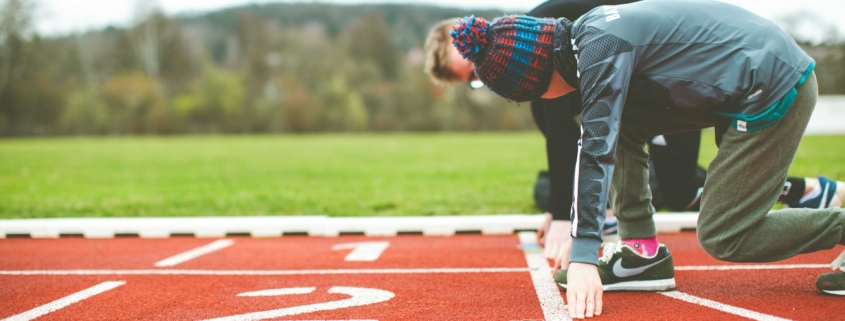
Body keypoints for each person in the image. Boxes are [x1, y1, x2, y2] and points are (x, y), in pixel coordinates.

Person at [447, 0, 845, 318]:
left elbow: (596, 150)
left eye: (524, 96)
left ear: (536, 80)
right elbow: (605, 131)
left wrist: (584, 254)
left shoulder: (601, 49)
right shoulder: (589, 34)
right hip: (742, 79)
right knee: (615, 125)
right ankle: (641, 254)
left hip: (773, 86)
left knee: (726, 233)